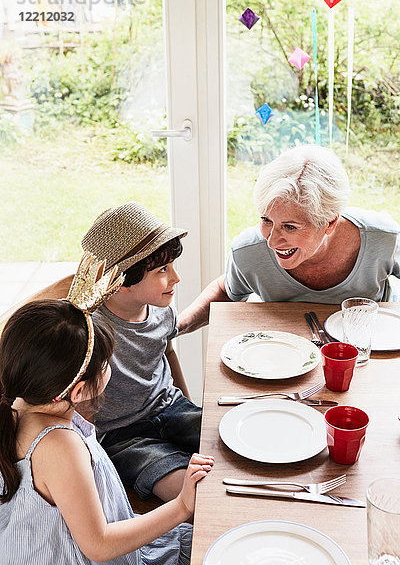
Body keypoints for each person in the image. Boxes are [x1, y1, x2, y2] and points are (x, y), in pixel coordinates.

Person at [0, 254, 214, 565]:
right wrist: (182, 505)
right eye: (106, 364)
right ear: (78, 391)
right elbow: (98, 546)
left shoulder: (20, 405)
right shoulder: (59, 445)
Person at [178, 144, 400, 334]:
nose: (272, 242)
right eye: (266, 220)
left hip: (369, 351)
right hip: (283, 357)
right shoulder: (248, 251)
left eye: (290, 227)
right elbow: (226, 291)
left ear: (330, 223)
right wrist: (174, 327)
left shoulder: (383, 237)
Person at [81, 202, 202, 504]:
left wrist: (187, 403)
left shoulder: (161, 310)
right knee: (194, 494)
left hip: (171, 408)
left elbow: (168, 355)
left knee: (234, 442)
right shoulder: (90, 331)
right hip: (123, 436)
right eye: (163, 270)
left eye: (173, 266)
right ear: (121, 282)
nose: (176, 278)